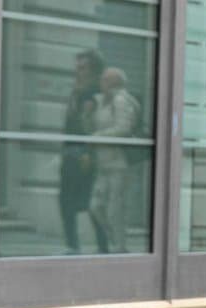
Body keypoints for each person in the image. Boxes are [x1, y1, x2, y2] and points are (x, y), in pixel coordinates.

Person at [87, 67, 141, 254]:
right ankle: (115, 241)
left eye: (104, 80)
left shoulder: (121, 101)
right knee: (96, 206)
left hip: (119, 164)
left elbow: (124, 128)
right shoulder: (104, 101)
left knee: (114, 210)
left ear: (113, 82)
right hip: (104, 163)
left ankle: (120, 247)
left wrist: (99, 136)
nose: (100, 83)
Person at [57, 49, 102, 254]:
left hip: (84, 153)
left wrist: (88, 153)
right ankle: (72, 245)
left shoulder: (95, 93)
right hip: (70, 152)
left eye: (82, 68)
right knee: (66, 200)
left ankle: (104, 245)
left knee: (90, 204)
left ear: (94, 71)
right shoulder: (77, 90)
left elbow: (93, 127)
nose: (78, 72)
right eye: (77, 68)